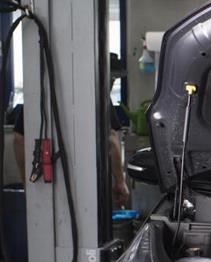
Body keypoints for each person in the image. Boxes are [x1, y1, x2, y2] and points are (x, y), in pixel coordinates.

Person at [11, 54, 129, 208]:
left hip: (45, 185)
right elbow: (112, 141)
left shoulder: (40, 93)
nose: (112, 84)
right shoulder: (99, 96)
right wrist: (120, 181)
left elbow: (19, 140)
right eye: (112, 79)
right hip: (88, 187)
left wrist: (27, 182)